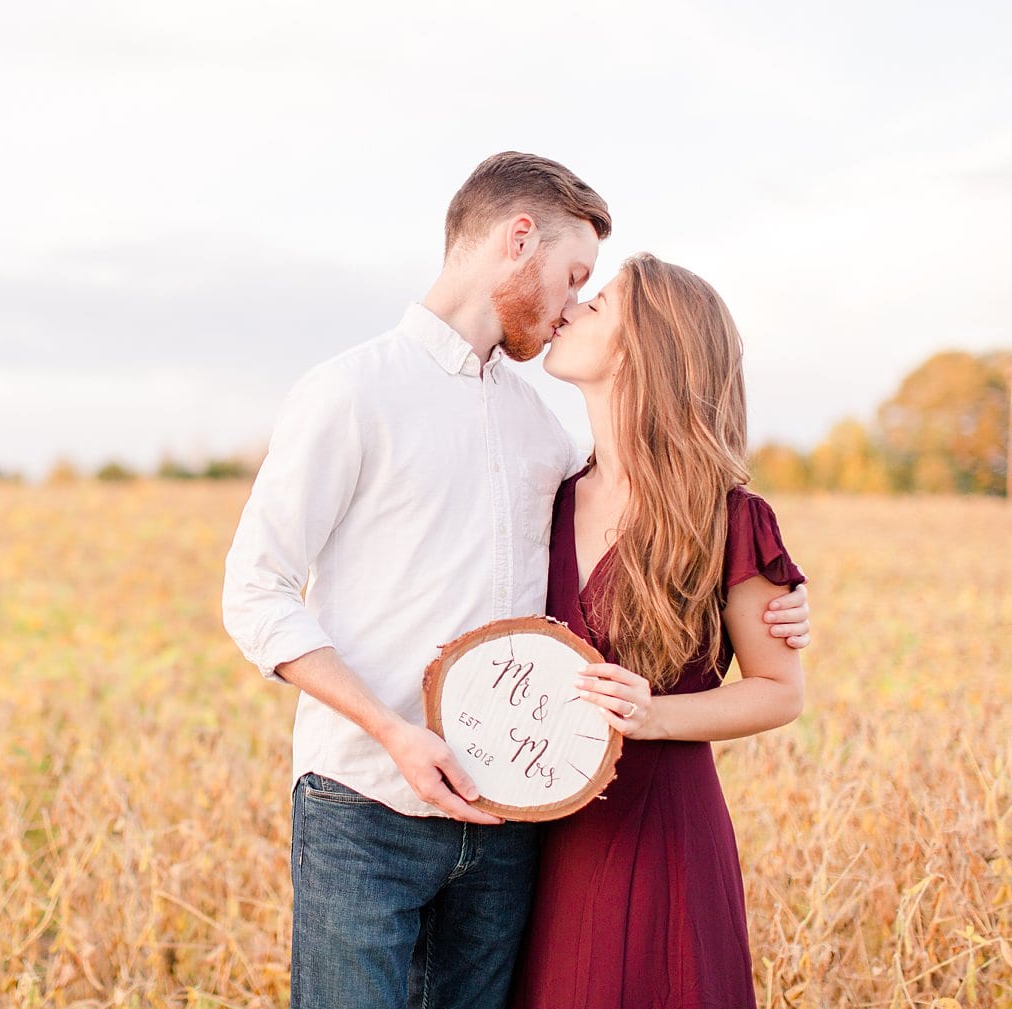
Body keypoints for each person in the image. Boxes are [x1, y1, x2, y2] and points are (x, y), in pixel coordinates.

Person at [221, 153, 812, 1009]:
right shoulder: (351, 392)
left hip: (516, 825)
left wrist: (775, 595)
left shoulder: (544, 438)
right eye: (574, 277)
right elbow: (255, 591)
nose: (573, 302)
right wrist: (391, 731)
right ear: (518, 239)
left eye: (592, 293)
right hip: (366, 803)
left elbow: (674, 539)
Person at [509, 253, 807, 1009]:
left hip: (658, 837)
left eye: (598, 303)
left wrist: (653, 714)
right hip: (531, 843)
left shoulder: (729, 515)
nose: (570, 307)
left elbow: (779, 691)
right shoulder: (542, 497)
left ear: (650, 347)